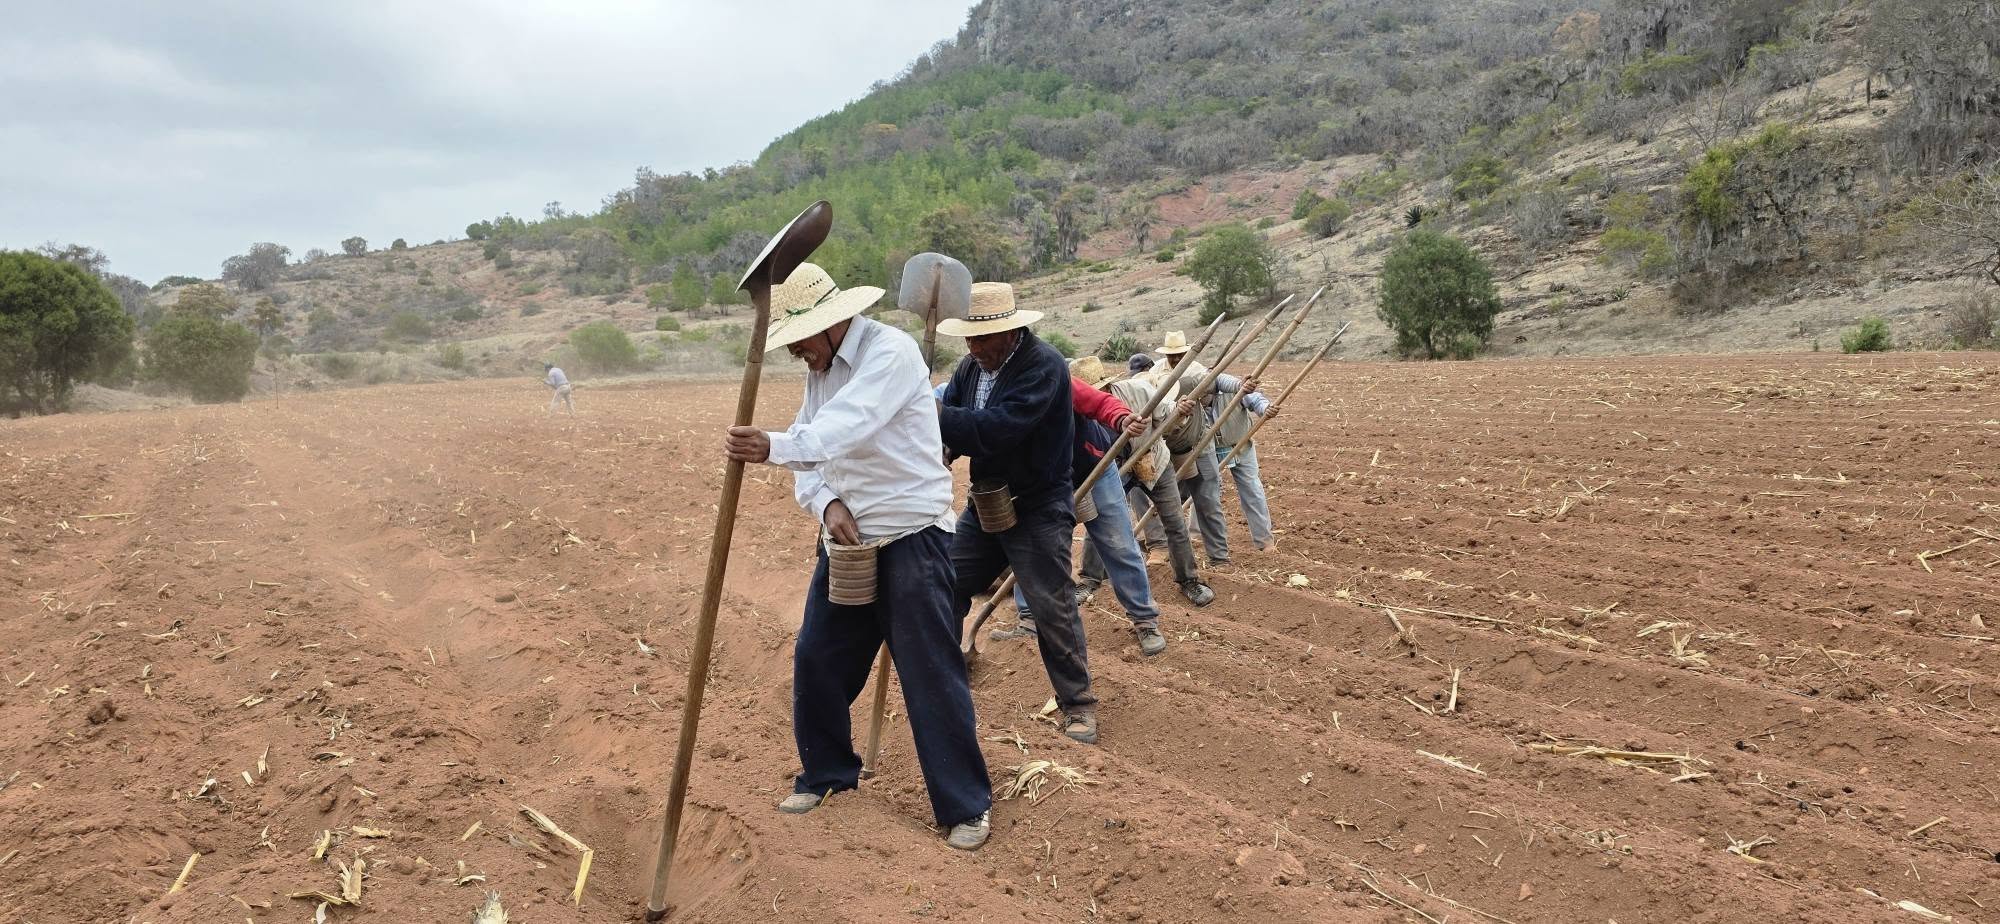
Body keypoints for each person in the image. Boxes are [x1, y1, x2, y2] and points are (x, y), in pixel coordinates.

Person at [721, 262, 992, 851]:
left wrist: (772, 446)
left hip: (912, 538)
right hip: (847, 544)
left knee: (930, 676)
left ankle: (966, 805)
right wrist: (827, 503)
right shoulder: (820, 369)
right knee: (817, 657)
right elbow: (812, 459)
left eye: (800, 341)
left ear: (834, 323)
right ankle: (827, 774)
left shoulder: (890, 354)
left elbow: (845, 428)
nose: (796, 354)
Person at [936, 282, 1100, 745]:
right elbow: (959, 414)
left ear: (1011, 332)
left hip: (1039, 505)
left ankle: (1079, 705)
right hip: (987, 499)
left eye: (983, 338)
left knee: (1051, 605)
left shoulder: (1043, 367)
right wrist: (944, 444)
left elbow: (998, 429)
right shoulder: (970, 367)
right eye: (968, 338)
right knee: (945, 584)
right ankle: (945, 680)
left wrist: (932, 416)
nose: (974, 347)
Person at [990, 356, 1167, 656]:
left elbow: (1101, 404)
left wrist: (1123, 417)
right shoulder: (990, 396)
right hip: (1042, 482)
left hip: (1092, 469)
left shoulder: (1050, 380)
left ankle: (1144, 620)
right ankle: (1030, 618)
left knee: (1119, 544)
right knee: (1031, 548)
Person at [1091, 358, 1215, 607]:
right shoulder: (1078, 411)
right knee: (1099, 521)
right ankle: (1089, 579)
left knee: (1175, 521)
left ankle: (1189, 580)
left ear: (1107, 386)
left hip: (1154, 461)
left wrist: (1179, 412)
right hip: (1114, 469)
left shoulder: (1138, 391)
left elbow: (1167, 417)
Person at [1133, 330, 1255, 566]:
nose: (1177, 359)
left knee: (1208, 501)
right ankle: (1160, 548)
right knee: (1160, 501)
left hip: (1199, 444)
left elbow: (1218, 380)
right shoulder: (1154, 374)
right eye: (1173, 355)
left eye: (1180, 354)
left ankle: (1219, 557)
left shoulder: (1196, 371)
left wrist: (1241, 385)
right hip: (1166, 449)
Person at [1211, 374, 1278, 550]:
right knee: (1206, 491)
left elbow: (1256, 400)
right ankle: (1196, 535)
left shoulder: (1234, 388)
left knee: (1252, 490)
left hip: (1241, 446)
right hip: (1209, 450)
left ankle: (1264, 541)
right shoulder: (1194, 394)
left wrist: (1266, 409)